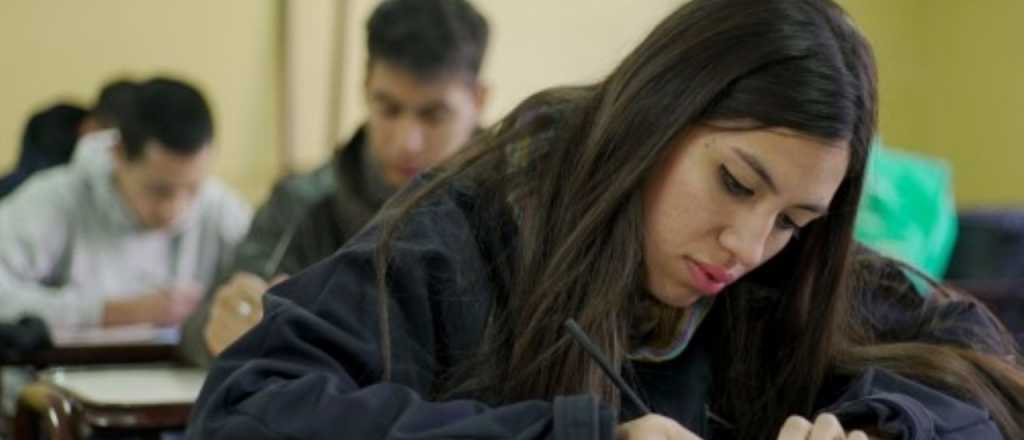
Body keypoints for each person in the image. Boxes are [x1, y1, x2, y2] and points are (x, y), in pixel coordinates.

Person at [187, 1, 1024, 439]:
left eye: (794, 219)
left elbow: (971, 355)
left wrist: (889, 429)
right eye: (735, 182)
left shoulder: (783, 267)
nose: (747, 246)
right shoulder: (471, 228)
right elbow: (244, 410)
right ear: (655, 118)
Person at [180, 0, 489, 362]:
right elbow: (199, 326)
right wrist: (223, 327)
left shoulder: (521, 205)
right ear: (366, 86)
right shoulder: (303, 202)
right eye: (388, 108)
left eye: (434, 115)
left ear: (479, 99)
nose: (407, 141)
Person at [0, 77, 251, 330]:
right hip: (77, 366)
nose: (175, 209)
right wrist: (107, 312)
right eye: (159, 191)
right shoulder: (56, 199)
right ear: (118, 154)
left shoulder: (220, 206)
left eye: (192, 189)